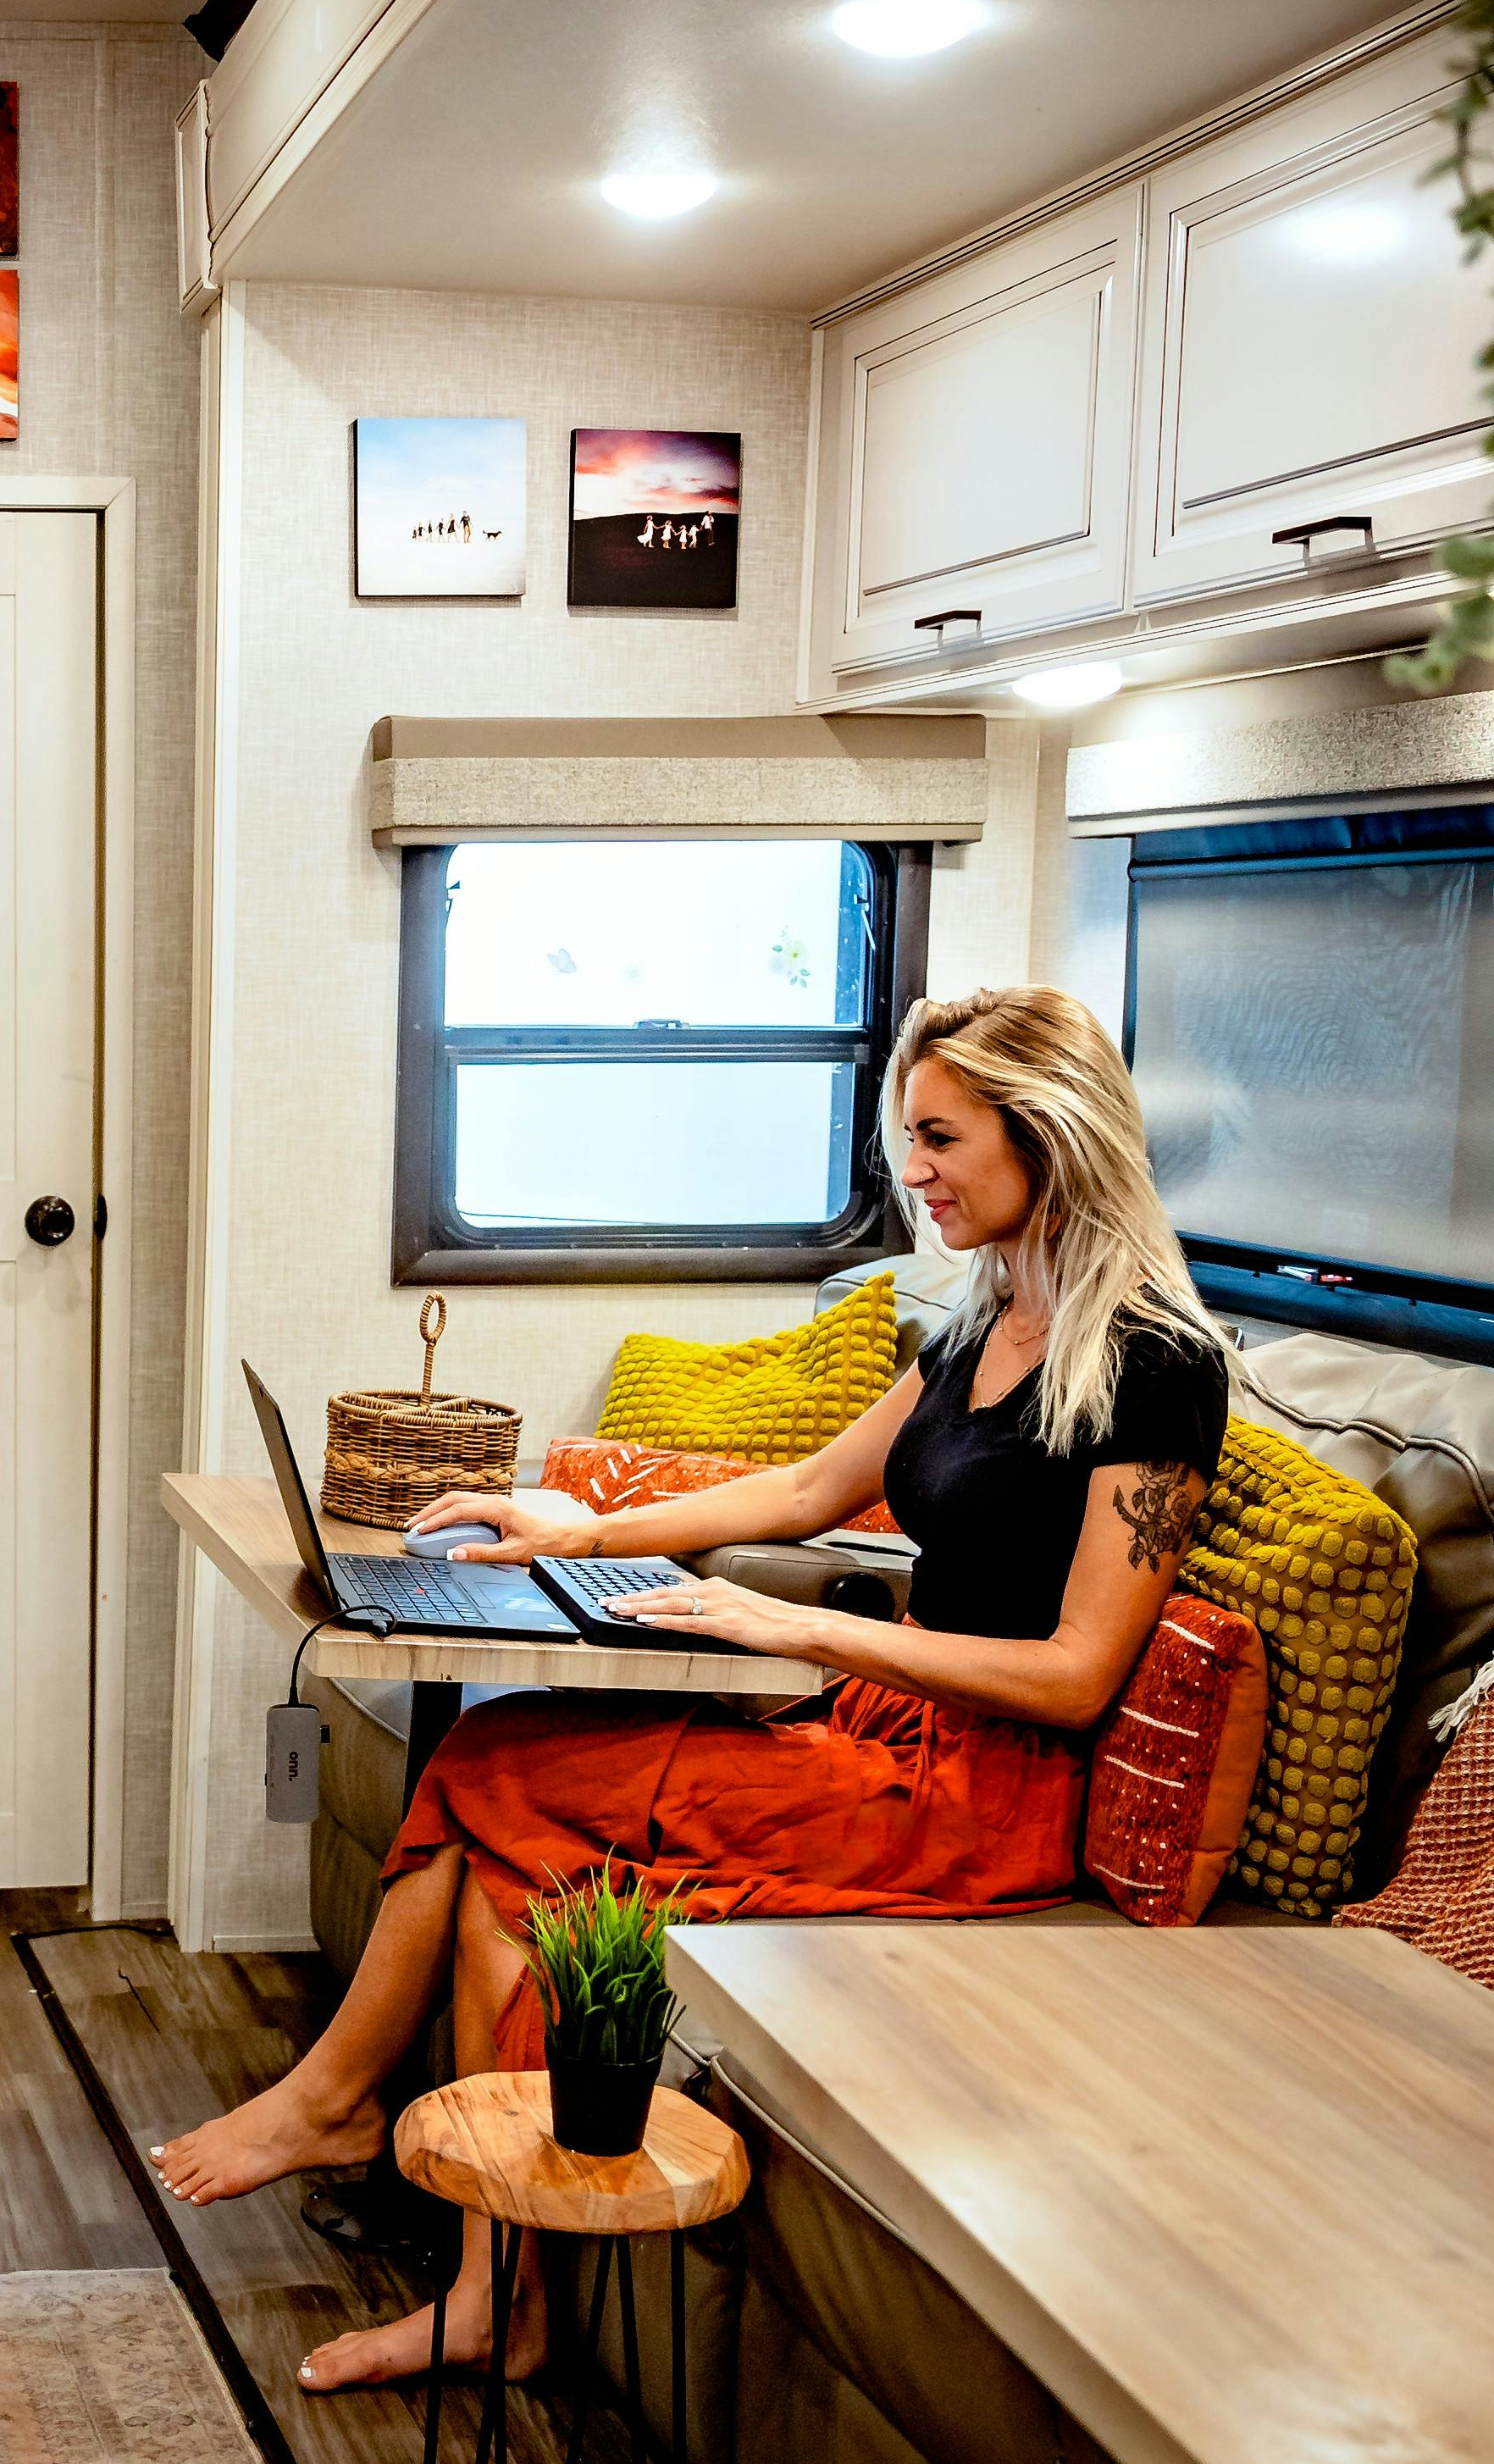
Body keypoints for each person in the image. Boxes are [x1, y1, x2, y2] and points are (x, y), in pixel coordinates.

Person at [148, 987, 1232, 2390]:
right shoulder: (982, 1320)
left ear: (1050, 1133)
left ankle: (339, 2104)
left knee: (494, 1772)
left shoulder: (1155, 1368)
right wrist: (568, 1527)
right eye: (911, 1135)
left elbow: (1080, 1677)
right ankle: (485, 2290)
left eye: (939, 1138)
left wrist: (799, 1638)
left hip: (976, 1796)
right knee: (506, 1853)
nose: (912, 1172)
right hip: (876, 1730)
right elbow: (803, 1487)